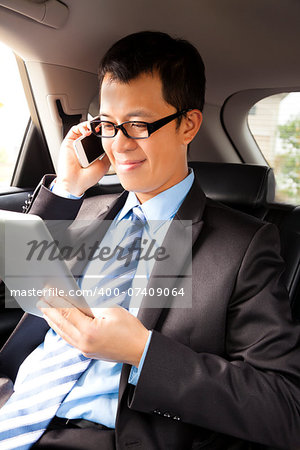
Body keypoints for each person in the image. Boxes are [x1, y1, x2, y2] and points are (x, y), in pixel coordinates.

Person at [0, 31, 300, 450]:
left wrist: (143, 352)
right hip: (12, 409)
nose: (119, 144)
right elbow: (15, 298)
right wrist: (67, 188)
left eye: (138, 125)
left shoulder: (243, 246)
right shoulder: (85, 208)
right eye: (107, 125)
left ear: (188, 124)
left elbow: (284, 407)